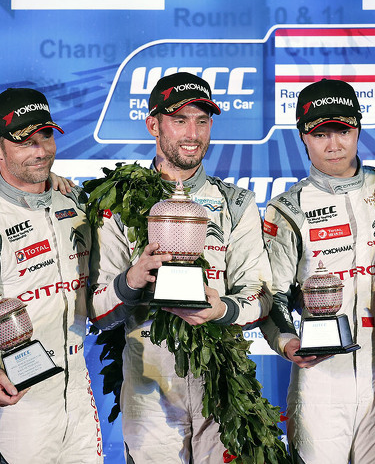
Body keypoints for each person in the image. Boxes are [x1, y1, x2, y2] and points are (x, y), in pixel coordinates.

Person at [89, 72, 273, 463]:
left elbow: (260, 294)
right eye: (180, 120)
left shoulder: (237, 202)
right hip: (148, 385)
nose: (193, 133)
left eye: (202, 121)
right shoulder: (117, 203)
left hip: (223, 382)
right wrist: (132, 281)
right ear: (153, 124)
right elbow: (97, 311)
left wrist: (221, 309)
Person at [0, 88, 102, 464]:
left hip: (77, 391)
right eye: (25, 142)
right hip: (17, 403)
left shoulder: (75, 203)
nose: (41, 150)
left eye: (45, 136)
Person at [259, 79, 375, 463]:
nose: (333, 144)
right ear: (303, 138)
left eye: (342, 130)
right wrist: (287, 341)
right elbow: (270, 293)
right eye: (320, 133)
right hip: (321, 378)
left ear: (357, 128)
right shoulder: (288, 207)